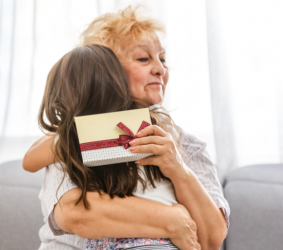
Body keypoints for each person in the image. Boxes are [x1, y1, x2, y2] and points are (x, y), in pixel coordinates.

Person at [23, 5, 229, 250]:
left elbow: (211, 241)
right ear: (105, 72)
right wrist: (173, 219)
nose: (161, 69)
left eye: (162, 59)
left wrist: (178, 169)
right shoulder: (73, 138)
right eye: (143, 58)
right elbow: (76, 214)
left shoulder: (187, 145)